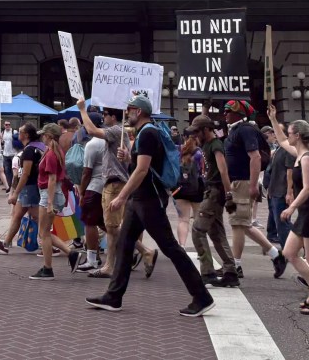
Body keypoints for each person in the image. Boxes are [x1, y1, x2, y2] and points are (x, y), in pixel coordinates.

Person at [85, 96, 214, 317]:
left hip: (148, 200)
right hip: (140, 200)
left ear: (140, 111)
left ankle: (202, 297)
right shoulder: (145, 134)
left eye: (131, 109)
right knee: (125, 245)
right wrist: (128, 159)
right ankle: (114, 296)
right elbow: (141, 166)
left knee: (171, 248)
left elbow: (143, 170)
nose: (128, 112)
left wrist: (121, 197)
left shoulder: (148, 134)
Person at [75, 99, 154, 277]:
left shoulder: (116, 130)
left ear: (112, 117)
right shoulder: (117, 133)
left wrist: (82, 110)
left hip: (115, 183)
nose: (103, 118)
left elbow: (91, 130)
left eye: (105, 115)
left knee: (113, 226)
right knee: (111, 227)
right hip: (111, 182)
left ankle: (143, 252)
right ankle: (114, 263)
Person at [267, 103, 309, 317]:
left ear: (299, 136)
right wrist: (274, 120)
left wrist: (290, 206)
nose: (288, 135)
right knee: (289, 253)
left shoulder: (307, 159)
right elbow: (281, 140)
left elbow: (308, 188)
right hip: (306, 212)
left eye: (291, 132)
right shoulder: (299, 153)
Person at [221, 100, 287, 278]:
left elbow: (255, 157)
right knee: (243, 223)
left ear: (239, 113)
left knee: (238, 224)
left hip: (243, 182)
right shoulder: (235, 130)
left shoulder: (245, 129)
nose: (225, 114)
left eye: (228, 111)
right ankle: (276, 255)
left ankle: (236, 266)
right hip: (238, 182)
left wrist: (252, 184)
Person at [187, 114, 239, 286]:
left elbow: (224, 171)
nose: (194, 135)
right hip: (212, 191)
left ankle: (208, 272)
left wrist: (229, 195)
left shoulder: (216, 145)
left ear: (206, 130)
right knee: (216, 233)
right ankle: (230, 272)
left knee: (198, 230)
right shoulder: (207, 144)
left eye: (197, 132)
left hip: (215, 192)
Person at [29, 122, 80, 280]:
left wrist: (49, 203)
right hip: (53, 193)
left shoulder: (51, 154)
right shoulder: (55, 152)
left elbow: (51, 180)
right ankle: (70, 253)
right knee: (45, 232)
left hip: (49, 194)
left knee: (44, 233)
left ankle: (48, 268)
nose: (42, 137)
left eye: (43, 135)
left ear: (49, 136)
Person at [0, 122, 44, 255]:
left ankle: (51, 243)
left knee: (37, 217)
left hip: (29, 187)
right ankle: (6, 243)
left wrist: (15, 193)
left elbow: (25, 174)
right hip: (32, 187)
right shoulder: (38, 147)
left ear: (25, 135)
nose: (17, 134)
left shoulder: (29, 151)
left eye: (19, 132)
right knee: (17, 215)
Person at [77, 128, 107, 272]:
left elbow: (86, 171)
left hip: (95, 186)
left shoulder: (92, 144)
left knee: (90, 222)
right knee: (105, 224)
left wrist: (82, 192)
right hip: (108, 185)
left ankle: (92, 259)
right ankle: (135, 249)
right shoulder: (109, 140)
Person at [264, 125, 293, 250]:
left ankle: (288, 249)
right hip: (275, 189)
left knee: (282, 223)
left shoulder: (288, 150)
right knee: (280, 221)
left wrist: (289, 192)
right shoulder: (278, 149)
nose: (274, 134)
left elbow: (289, 172)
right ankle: (295, 243)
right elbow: (272, 171)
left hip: (282, 190)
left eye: (276, 132)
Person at [0, 119, 16, 192]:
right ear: (4, 125)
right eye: (6, 124)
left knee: (14, 170)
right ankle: (8, 185)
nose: (7, 126)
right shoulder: (2, 133)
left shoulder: (14, 132)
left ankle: (14, 185)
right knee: (7, 171)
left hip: (13, 154)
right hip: (5, 154)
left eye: (9, 124)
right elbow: (2, 143)